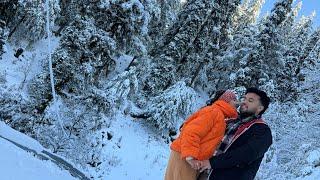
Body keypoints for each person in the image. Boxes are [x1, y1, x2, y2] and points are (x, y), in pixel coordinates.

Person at [199, 87, 272, 180]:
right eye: (244, 98)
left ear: (260, 108)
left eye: (250, 100)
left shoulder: (262, 130)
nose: (244, 102)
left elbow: (246, 154)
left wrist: (212, 163)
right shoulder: (229, 121)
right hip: (205, 174)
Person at [164, 90, 239, 180]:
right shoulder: (214, 112)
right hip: (185, 157)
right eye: (234, 100)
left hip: (190, 158)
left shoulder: (220, 116)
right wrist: (190, 158)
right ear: (226, 100)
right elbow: (191, 132)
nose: (237, 103)